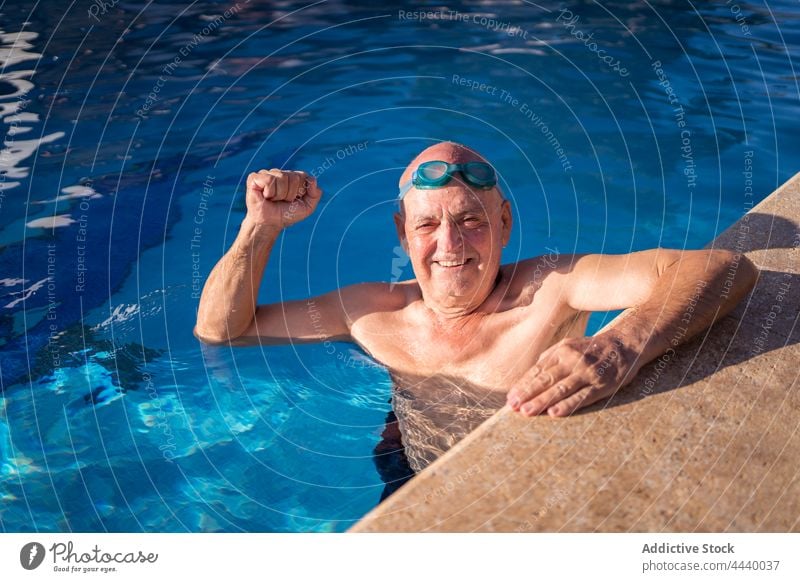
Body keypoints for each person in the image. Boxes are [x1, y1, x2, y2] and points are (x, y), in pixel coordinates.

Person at [194, 141, 759, 478]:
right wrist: (259, 228)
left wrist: (620, 345)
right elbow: (221, 330)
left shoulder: (552, 288)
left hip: (536, 478)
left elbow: (725, 268)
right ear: (402, 233)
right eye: (427, 224)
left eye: (471, 220)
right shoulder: (370, 313)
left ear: (505, 224)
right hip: (408, 469)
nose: (451, 245)